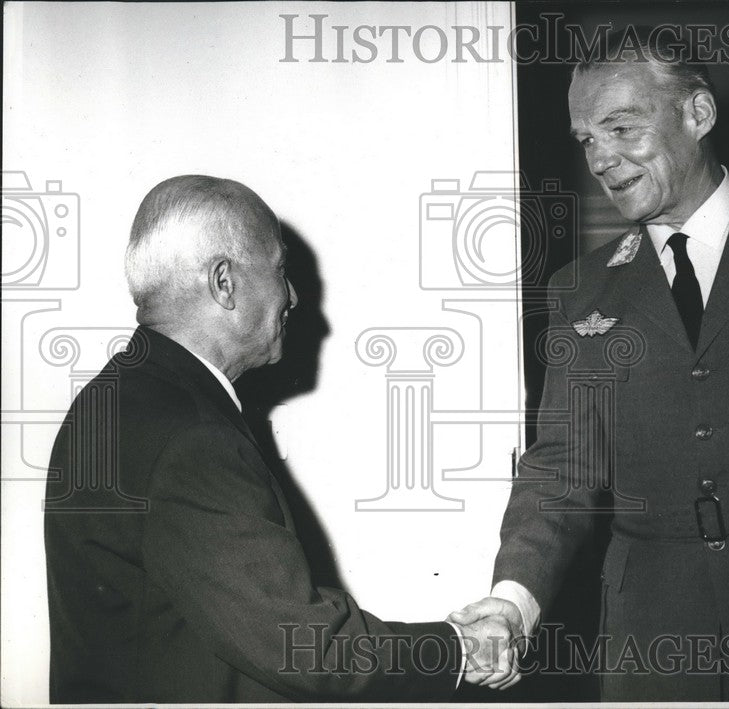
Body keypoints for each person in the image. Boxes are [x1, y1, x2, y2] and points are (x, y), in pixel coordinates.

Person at [450, 36, 729, 702]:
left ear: (698, 114)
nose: (601, 158)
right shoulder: (581, 291)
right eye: (585, 140)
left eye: (621, 128)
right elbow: (562, 466)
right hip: (651, 645)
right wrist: (512, 601)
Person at [44, 175, 516, 703]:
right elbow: (307, 647)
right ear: (224, 282)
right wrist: (457, 647)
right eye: (279, 270)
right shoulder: (190, 437)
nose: (292, 296)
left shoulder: (115, 396)